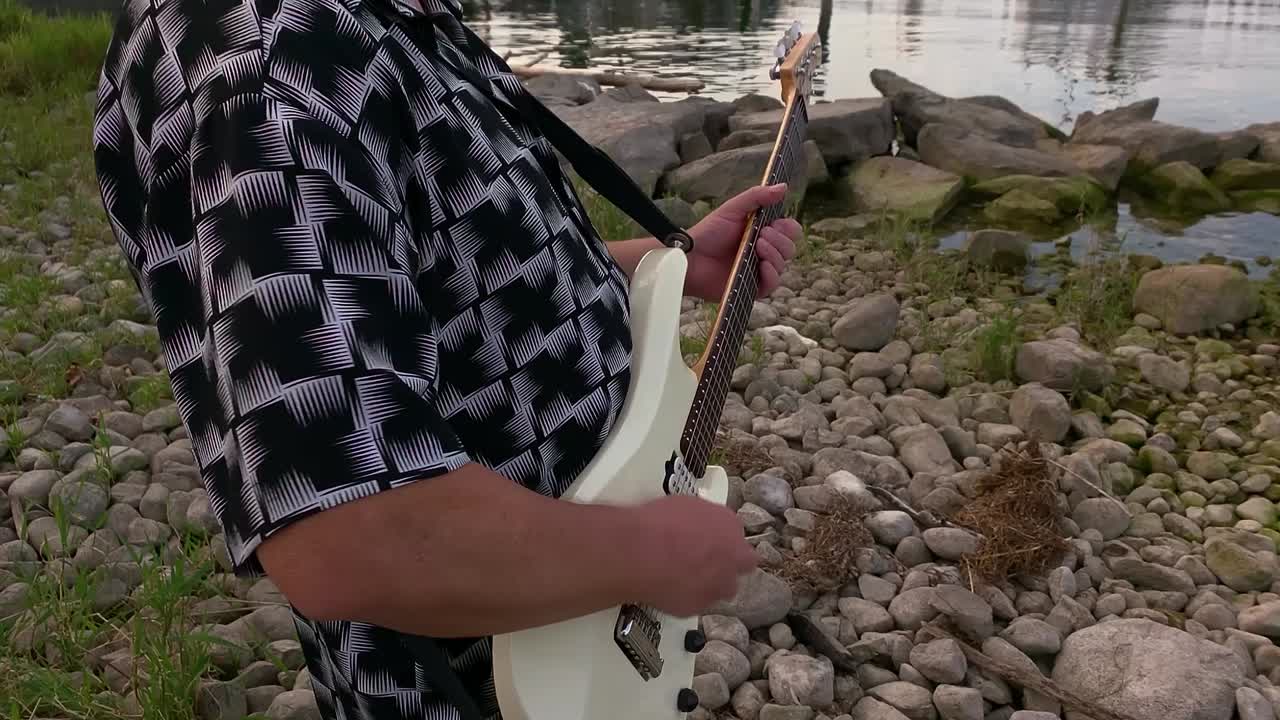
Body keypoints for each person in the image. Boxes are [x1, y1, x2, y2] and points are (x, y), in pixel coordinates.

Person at [91, 0, 801, 716]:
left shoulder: (377, 21)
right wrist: (650, 555)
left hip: (573, 626)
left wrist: (661, 263)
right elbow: (347, 531)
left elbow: (436, 275)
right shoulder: (283, 60)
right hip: (476, 680)